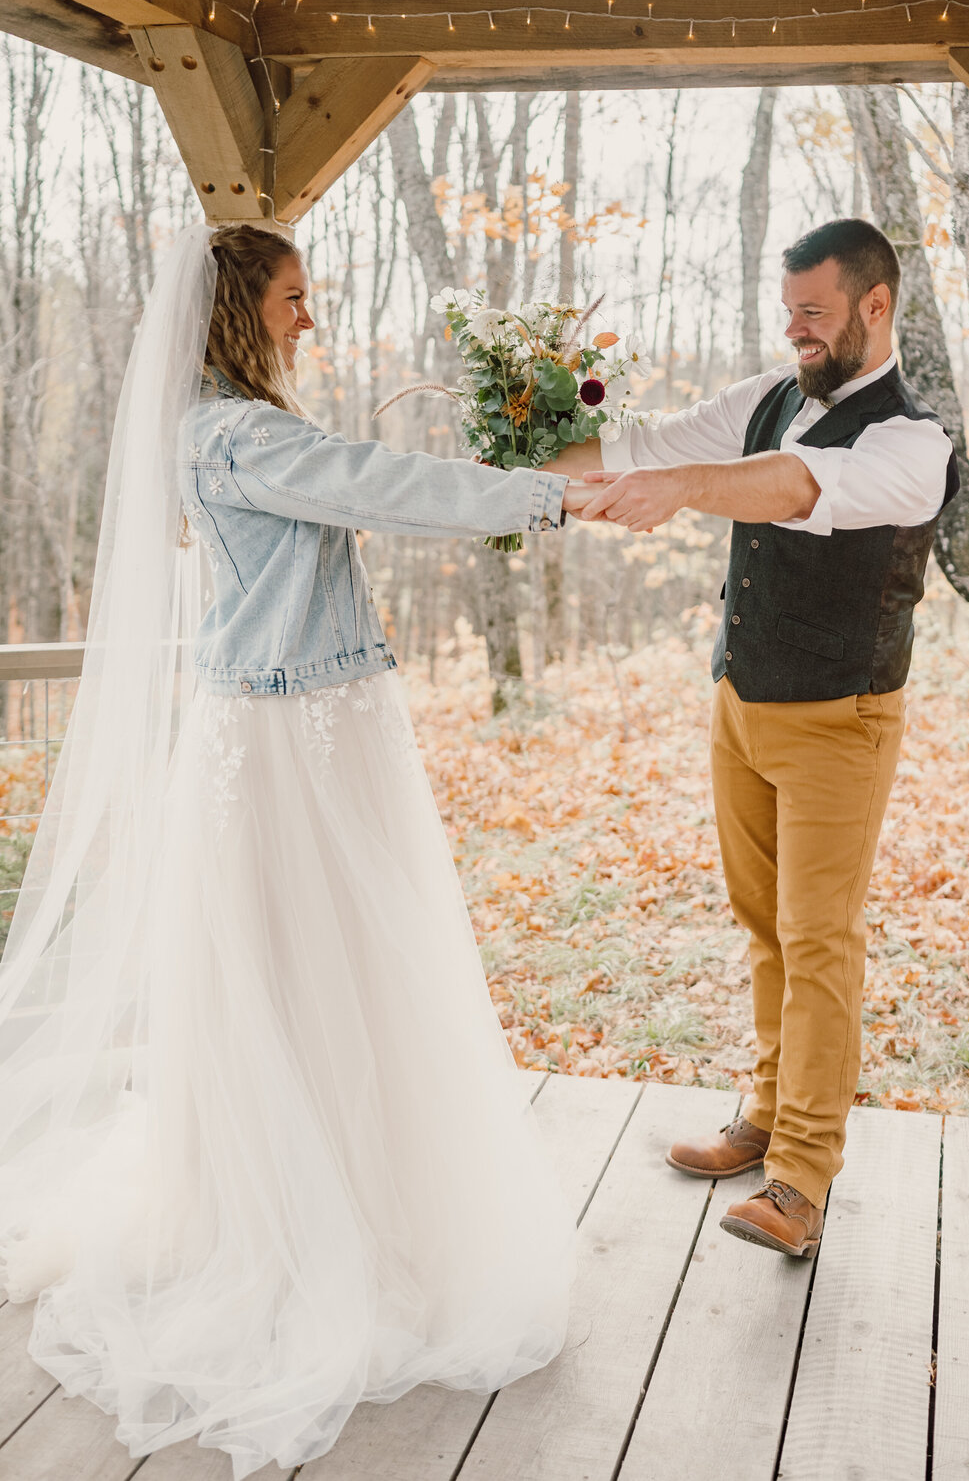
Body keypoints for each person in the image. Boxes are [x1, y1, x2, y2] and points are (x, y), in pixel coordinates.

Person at [0, 223, 596, 1478]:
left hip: (310, 721)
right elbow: (382, 482)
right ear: (236, 312)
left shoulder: (229, 434)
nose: (310, 318)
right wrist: (549, 491)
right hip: (282, 747)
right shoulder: (235, 436)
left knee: (346, 979)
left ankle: (361, 1194)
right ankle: (297, 1230)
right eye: (294, 298)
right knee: (301, 978)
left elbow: (337, 503)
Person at [550, 218, 958, 1257]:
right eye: (789, 311)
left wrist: (679, 492)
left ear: (877, 306)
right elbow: (645, 445)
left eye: (815, 313)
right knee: (763, 924)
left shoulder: (913, 442)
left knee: (820, 939)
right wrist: (517, 457)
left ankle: (803, 1178)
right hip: (741, 702)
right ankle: (767, 1115)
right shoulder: (769, 394)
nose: (797, 331)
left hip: (840, 719)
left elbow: (794, 486)